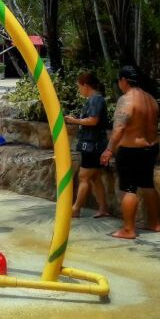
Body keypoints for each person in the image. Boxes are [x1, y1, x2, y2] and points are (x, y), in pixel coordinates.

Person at [101, 66, 160, 239]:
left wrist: (108, 150)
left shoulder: (126, 100)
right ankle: (155, 223)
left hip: (131, 150)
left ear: (124, 80)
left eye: (119, 81)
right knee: (147, 184)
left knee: (129, 188)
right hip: (151, 147)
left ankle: (128, 229)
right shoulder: (150, 99)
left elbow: (119, 128)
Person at [66, 72, 109, 218]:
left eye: (79, 86)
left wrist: (74, 121)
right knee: (95, 177)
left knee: (83, 177)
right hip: (93, 143)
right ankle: (103, 208)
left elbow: (93, 120)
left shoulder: (96, 99)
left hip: (93, 144)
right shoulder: (94, 99)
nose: (79, 90)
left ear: (85, 85)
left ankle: (76, 208)